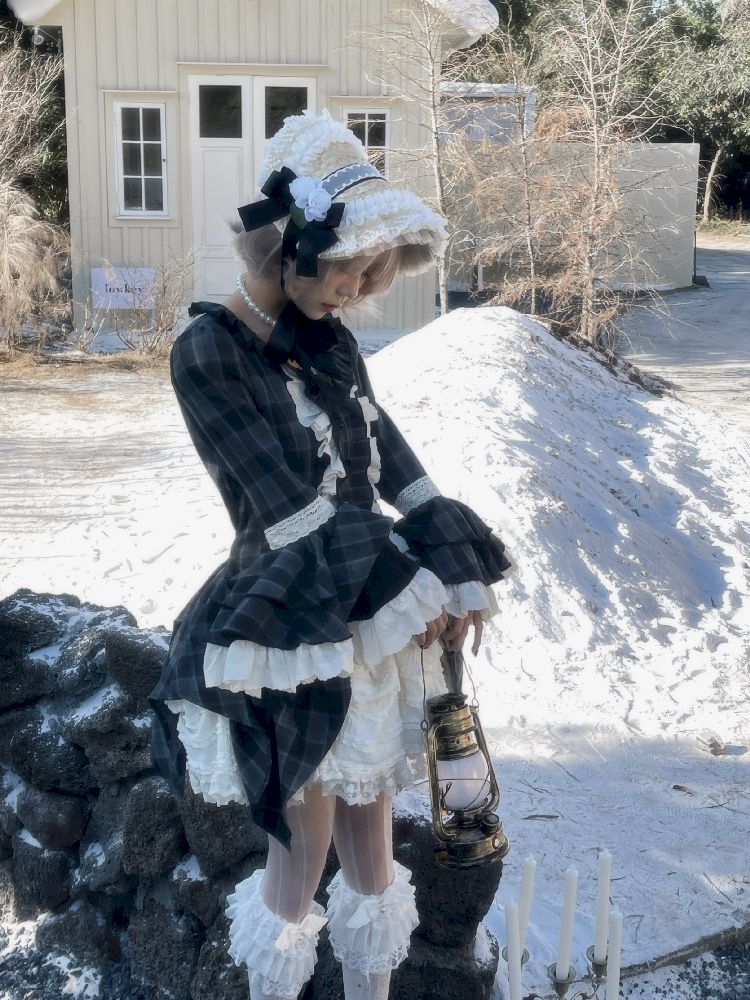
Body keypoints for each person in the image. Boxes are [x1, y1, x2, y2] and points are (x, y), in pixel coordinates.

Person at [148, 109, 513, 1000]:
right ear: (288, 249)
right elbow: (286, 512)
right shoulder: (207, 351)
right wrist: (412, 586)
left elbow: (387, 453)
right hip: (291, 621)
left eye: (370, 272)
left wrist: (449, 557)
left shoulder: (333, 342)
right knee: (298, 860)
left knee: (374, 856)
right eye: (347, 266)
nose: (355, 288)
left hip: (367, 618)